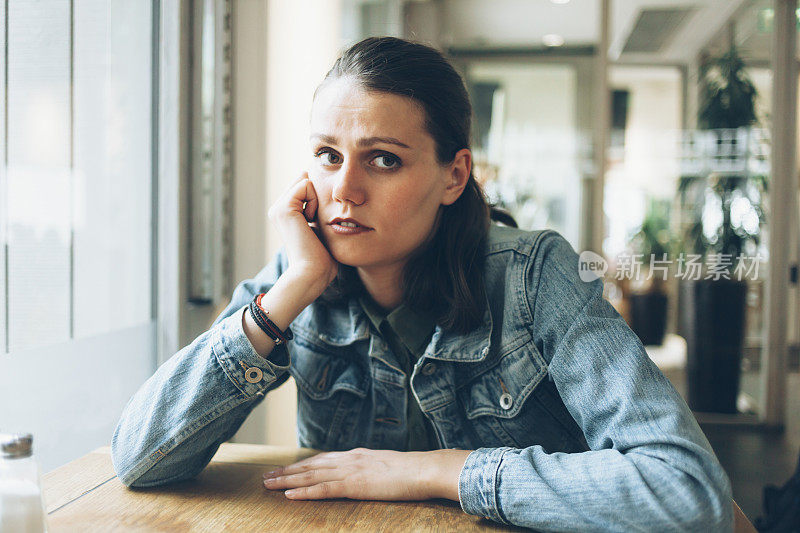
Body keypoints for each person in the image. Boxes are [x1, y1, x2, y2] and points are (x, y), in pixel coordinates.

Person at [111, 36, 733, 531]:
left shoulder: (534, 276)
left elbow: (687, 491)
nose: (344, 191)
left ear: (454, 175)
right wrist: (289, 291)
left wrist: (440, 472)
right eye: (328, 155)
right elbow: (142, 459)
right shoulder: (298, 276)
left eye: (384, 158)